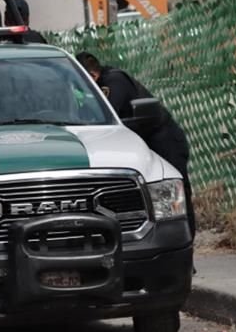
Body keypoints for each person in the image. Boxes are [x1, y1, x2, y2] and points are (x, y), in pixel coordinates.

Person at [75, 52, 196, 236]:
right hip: (141, 145)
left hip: (163, 141)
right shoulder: (99, 86)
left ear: (92, 76)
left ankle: (185, 245)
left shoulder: (114, 81)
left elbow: (108, 118)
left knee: (175, 200)